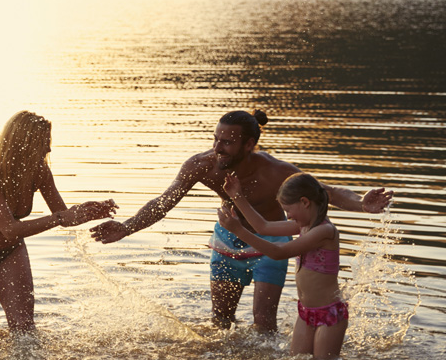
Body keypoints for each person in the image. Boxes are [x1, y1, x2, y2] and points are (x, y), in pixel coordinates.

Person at [91, 110, 391, 332]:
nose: (218, 148)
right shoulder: (202, 166)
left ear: (249, 145)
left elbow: (327, 192)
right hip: (227, 241)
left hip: (271, 241)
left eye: (227, 143)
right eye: (215, 140)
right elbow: (164, 202)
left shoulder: (275, 171)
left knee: (263, 325)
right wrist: (127, 227)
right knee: (220, 323)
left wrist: (361, 205)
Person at [0, 111, 117, 333]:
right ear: (23, 143)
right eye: (44, 142)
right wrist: (60, 218)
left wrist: (87, 211)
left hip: (9, 251)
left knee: (24, 330)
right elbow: (10, 229)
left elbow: (63, 217)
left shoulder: (39, 171)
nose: (49, 149)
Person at [218, 172, 348, 360]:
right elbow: (263, 227)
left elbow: (279, 252)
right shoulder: (303, 226)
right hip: (306, 312)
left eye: (288, 210)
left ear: (305, 202)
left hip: (329, 316)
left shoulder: (325, 231)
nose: (287, 216)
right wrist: (236, 196)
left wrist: (238, 230)